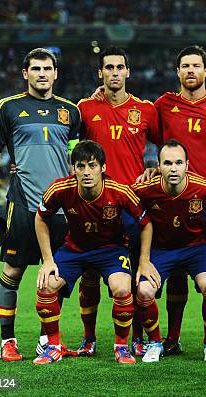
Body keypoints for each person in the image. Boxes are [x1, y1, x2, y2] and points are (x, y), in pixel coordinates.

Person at [0, 48, 80, 361]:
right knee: (14, 269)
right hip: (23, 202)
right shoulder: (8, 107)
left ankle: (47, 341)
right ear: (25, 73)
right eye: (35, 68)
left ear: (55, 73)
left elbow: (76, 158)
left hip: (61, 206)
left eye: (47, 68)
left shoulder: (71, 111)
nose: (41, 73)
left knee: (54, 275)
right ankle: (7, 341)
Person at [152, 45, 206, 356]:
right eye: (185, 66)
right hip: (175, 201)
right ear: (178, 72)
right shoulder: (163, 105)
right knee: (176, 271)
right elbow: (143, 134)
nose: (190, 70)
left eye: (195, 66)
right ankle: (172, 339)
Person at [33, 140, 152, 365]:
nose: (86, 172)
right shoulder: (60, 189)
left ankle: (121, 346)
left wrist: (144, 260)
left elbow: (146, 223)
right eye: (80, 166)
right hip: (75, 249)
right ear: (73, 169)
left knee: (122, 288)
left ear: (103, 168)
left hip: (111, 250)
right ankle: (53, 346)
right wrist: (48, 260)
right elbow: (40, 218)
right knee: (47, 284)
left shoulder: (119, 191)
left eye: (92, 165)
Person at [76, 46, 161, 357]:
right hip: (93, 207)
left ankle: (135, 336)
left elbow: (167, 147)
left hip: (132, 206)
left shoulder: (146, 110)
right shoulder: (84, 108)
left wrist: (154, 166)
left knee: (133, 278)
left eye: (119, 67)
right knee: (89, 275)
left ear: (128, 72)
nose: (114, 72)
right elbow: (64, 143)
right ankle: (89, 338)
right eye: (108, 67)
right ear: (101, 73)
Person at [132, 139, 206, 363]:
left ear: (187, 165)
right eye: (168, 163)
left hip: (196, 249)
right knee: (144, 292)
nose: (173, 168)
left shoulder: (204, 188)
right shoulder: (144, 189)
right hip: (161, 251)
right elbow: (121, 202)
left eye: (178, 163)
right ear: (158, 166)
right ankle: (155, 342)